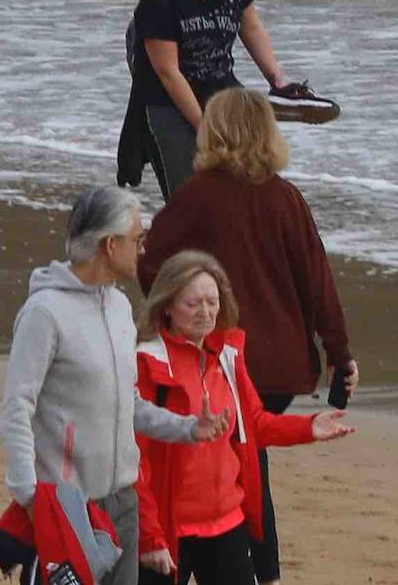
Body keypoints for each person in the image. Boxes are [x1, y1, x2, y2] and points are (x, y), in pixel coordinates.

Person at [139, 87, 357, 585]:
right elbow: (317, 280)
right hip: (280, 367)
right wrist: (340, 354)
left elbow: (151, 263)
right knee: (245, 456)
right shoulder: (285, 196)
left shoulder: (197, 195)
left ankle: (247, 566)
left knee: (240, 459)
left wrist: (174, 320)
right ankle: (263, 571)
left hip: (220, 359)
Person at [0, 186, 231, 585]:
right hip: (67, 506)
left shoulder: (121, 308)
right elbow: (16, 409)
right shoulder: (45, 313)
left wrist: (189, 428)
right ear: (109, 245)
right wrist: (31, 497)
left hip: (124, 502)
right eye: (137, 239)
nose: (143, 249)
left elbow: (129, 403)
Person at [134, 250, 355, 585]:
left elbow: (254, 425)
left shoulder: (227, 355)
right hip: (167, 529)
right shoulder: (146, 363)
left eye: (212, 301)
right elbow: (133, 461)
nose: (205, 312)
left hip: (226, 522)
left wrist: (309, 426)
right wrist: (150, 537)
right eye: (193, 303)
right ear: (167, 305)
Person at [116, 0, 330, 200]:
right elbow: (168, 74)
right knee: (192, 198)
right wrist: (205, 128)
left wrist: (278, 81)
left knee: (253, 182)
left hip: (222, 89)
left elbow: (250, 25)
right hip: (169, 103)